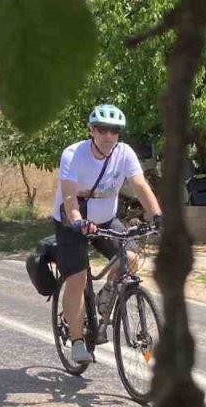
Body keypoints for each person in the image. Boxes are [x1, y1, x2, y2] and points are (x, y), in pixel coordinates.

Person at [53, 104, 162, 365]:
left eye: (114, 130)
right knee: (78, 278)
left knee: (132, 257)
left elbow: (140, 185)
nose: (108, 135)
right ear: (91, 130)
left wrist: (159, 216)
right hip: (72, 222)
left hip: (106, 220)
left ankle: (106, 296)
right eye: (102, 129)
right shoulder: (73, 155)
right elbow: (69, 197)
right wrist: (78, 221)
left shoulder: (124, 154)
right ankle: (78, 342)